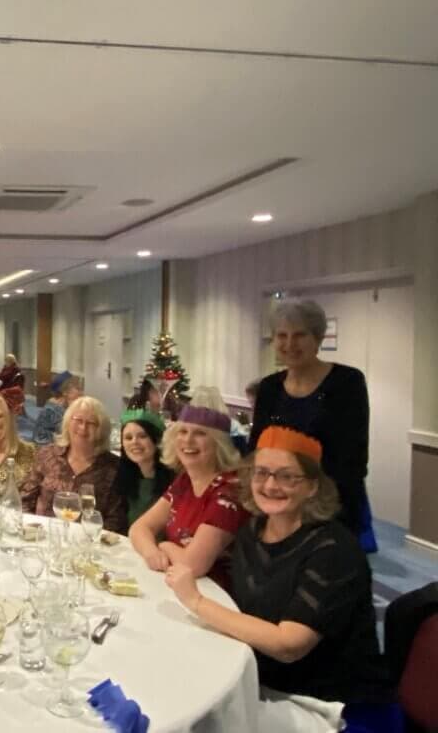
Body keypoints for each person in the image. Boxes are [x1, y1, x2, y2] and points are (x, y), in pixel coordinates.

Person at [165, 427, 393, 732]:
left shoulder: (333, 549)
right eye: (261, 473)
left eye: (287, 476)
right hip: (264, 679)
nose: (271, 485)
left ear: (312, 486)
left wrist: (195, 601)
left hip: (328, 704)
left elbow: (288, 645)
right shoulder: (252, 531)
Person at [249, 299, 374, 549]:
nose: (289, 344)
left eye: (299, 335)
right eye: (281, 335)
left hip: (330, 507)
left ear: (318, 338)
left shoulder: (347, 382)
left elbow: (352, 457)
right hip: (276, 502)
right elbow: (256, 450)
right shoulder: (269, 387)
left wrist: (305, 500)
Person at [129, 405, 247, 589]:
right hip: (177, 583)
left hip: (214, 596)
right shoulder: (185, 481)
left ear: (219, 444)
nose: (188, 440)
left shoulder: (229, 492)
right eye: (182, 432)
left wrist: (164, 545)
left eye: (200, 433)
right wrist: (150, 550)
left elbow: (193, 565)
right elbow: (139, 528)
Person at [20, 396, 124, 531]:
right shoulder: (47, 455)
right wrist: (33, 531)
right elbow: (26, 499)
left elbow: (115, 519)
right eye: (78, 420)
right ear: (68, 423)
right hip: (44, 536)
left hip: (86, 543)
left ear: (101, 430)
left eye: (91, 423)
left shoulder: (113, 467)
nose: (83, 427)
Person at [114, 408, 174, 533]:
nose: (134, 442)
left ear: (156, 440)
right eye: (128, 438)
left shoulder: (175, 481)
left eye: (142, 436)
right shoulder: (122, 477)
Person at [32, 371, 82, 446]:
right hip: (48, 447)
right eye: (78, 389)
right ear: (65, 392)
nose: (82, 392)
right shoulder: (52, 410)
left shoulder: (67, 405)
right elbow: (66, 432)